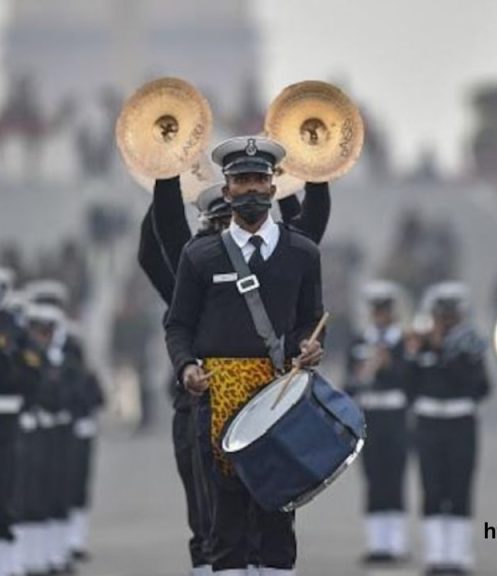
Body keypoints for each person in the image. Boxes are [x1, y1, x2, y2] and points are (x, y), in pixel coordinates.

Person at [164, 136, 325, 576]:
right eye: (241, 181)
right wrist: (186, 367)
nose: (251, 189)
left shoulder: (301, 253)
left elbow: (309, 320)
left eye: (259, 179)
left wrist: (309, 347)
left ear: (274, 187)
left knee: (277, 518)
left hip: (278, 394)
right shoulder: (199, 255)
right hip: (218, 397)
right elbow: (178, 325)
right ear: (227, 188)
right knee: (225, 522)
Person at [409, 282, 489, 575]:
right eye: (441, 314)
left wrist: (448, 355)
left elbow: (480, 388)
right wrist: (420, 351)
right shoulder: (420, 346)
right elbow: (408, 386)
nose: (445, 320)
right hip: (428, 422)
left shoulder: (471, 346)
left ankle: (458, 554)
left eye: (450, 314)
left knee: (459, 487)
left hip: (460, 422)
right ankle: (435, 554)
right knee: (431, 487)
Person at [345, 280, 411, 565]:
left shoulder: (403, 342)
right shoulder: (361, 342)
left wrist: (390, 366)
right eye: (376, 310)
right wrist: (363, 373)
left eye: (385, 310)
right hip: (368, 413)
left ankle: (396, 543)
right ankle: (376, 543)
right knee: (372, 477)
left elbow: (412, 381)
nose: (381, 316)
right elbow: (348, 383)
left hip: (394, 413)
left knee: (394, 476)